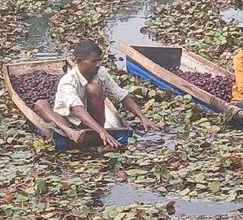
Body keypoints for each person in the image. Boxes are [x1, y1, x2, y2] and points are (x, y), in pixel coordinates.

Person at [33, 40, 163, 149]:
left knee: (94, 89)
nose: (98, 64)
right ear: (79, 61)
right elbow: (77, 111)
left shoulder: (101, 73)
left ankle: (97, 132)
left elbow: (121, 96)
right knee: (42, 105)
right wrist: (102, 131)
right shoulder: (68, 81)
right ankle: (73, 132)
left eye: (100, 60)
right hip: (68, 121)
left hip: (93, 122)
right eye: (94, 61)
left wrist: (143, 118)